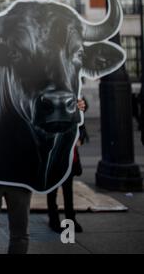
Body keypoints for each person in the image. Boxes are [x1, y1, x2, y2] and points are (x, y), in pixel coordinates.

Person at [47, 98, 88, 234]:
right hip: (53, 152)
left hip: (68, 151)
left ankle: (70, 219)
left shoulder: (71, 91)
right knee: (52, 189)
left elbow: (82, 106)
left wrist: (83, 105)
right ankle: (54, 220)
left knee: (67, 189)